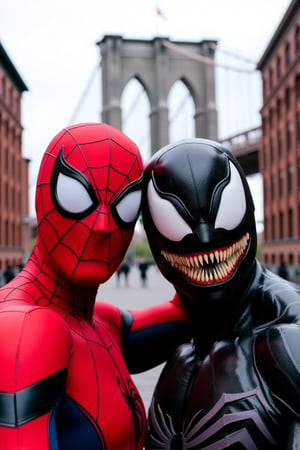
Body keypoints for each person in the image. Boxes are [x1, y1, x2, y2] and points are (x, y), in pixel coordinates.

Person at [0, 123, 191, 450]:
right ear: (42, 197)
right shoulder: (23, 327)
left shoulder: (103, 324)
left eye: (126, 206)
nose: (103, 226)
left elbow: (188, 310)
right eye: (76, 197)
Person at [142, 138, 300, 449]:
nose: (203, 236)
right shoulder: (181, 348)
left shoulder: (286, 338)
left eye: (224, 210)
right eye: (173, 219)